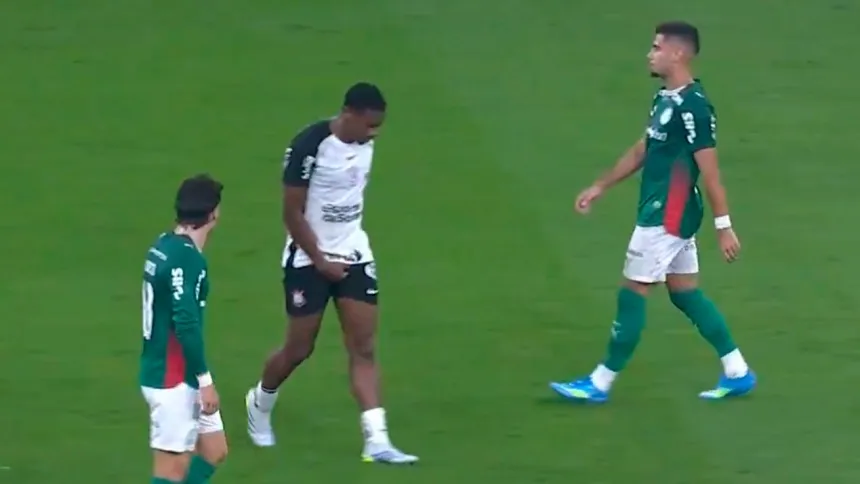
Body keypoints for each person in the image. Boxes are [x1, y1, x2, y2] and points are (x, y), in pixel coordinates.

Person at [550, 21, 756, 403]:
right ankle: (737, 370)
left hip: (666, 217)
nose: (650, 54)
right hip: (671, 212)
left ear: (677, 54)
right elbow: (644, 148)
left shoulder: (695, 107)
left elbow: (710, 171)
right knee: (684, 292)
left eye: (657, 48)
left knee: (633, 291)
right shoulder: (665, 98)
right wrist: (601, 186)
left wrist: (724, 226)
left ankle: (599, 382)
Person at [245, 82, 418, 464]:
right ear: (348, 114)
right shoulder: (310, 146)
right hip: (308, 259)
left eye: (379, 126)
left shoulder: (364, 143)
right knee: (299, 348)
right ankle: (260, 402)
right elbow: (291, 213)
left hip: (354, 253)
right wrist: (321, 261)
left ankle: (377, 440)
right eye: (369, 124)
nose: (374, 134)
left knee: (364, 346)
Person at [141, 174, 228, 483]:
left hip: (178, 369)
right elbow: (186, 323)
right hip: (173, 378)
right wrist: (206, 381)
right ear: (213, 214)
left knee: (214, 450)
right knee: (171, 470)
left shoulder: (163, 245)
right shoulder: (189, 260)